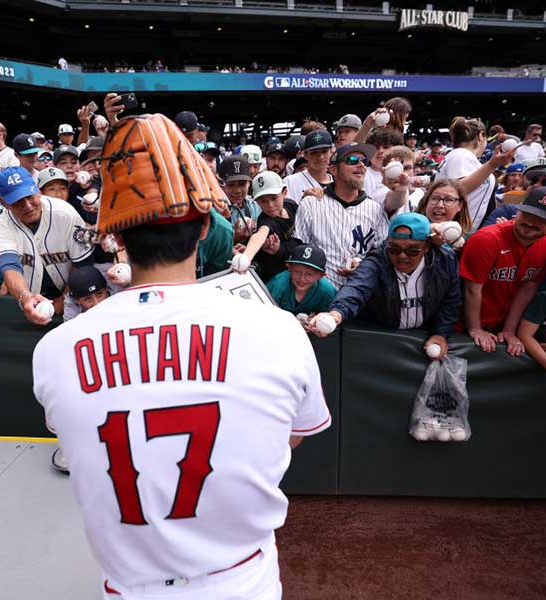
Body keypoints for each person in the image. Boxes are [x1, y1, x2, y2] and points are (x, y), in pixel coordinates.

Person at [32, 113, 330, 599]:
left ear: (116, 236)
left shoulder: (55, 349)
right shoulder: (277, 329)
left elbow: (80, 436)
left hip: (129, 587)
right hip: (242, 580)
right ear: (204, 227)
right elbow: (289, 439)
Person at [315, 213, 460, 359]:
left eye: (412, 250)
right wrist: (335, 314)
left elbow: (451, 301)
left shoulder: (444, 260)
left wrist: (441, 334)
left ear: (426, 247)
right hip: (381, 341)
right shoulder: (377, 261)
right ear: (387, 242)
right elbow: (357, 288)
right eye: (394, 249)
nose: (402, 256)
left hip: (423, 340)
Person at [460, 187, 546, 354]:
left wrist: (509, 330)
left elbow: (528, 287)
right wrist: (475, 328)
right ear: (518, 209)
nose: (531, 222)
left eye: (542, 219)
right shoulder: (487, 238)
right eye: (527, 214)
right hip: (463, 324)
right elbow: (471, 289)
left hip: (502, 323)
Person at [0, 166, 93, 323]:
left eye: (30, 196)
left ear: (38, 190)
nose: (28, 206)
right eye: (17, 202)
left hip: (71, 291)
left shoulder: (66, 214)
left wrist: (65, 298)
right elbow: (10, 267)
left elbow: (83, 264)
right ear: (4, 203)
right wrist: (25, 298)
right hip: (30, 294)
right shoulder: (1, 227)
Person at [295, 142, 401, 287]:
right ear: (333, 169)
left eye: (364, 161)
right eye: (352, 161)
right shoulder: (311, 203)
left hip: (362, 294)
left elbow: (382, 253)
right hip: (319, 293)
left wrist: (363, 264)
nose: (361, 165)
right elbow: (299, 250)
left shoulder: (375, 209)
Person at [435, 117, 516, 230]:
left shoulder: (463, 157)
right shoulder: (461, 155)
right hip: (455, 230)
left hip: (461, 229)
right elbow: (457, 189)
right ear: (480, 135)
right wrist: (492, 164)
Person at [231, 171, 301, 281]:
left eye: (274, 198)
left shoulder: (291, 205)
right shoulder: (266, 220)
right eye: (263, 201)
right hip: (276, 278)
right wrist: (246, 257)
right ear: (257, 202)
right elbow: (260, 235)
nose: (270, 205)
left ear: (284, 192)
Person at [266, 244, 336, 317]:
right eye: (297, 271)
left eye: (309, 274)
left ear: (321, 275)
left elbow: (331, 318)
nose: (302, 279)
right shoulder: (277, 285)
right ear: (289, 268)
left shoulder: (328, 293)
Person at [415, 179, 472, 250]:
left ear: (460, 205)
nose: (440, 205)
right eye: (435, 198)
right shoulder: (409, 225)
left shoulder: (469, 239)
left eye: (448, 200)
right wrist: (427, 229)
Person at [283, 128, 333, 203]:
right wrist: (303, 201)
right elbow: (283, 213)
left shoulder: (339, 182)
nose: (320, 157)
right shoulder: (289, 181)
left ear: (331, 152)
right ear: (305, 155)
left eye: (324, 151)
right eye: (314, 152)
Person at [219, 155, 260, 245]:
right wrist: (234, 240)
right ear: (221, 184)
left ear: (249, 183)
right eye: (231, 185)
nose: (237, 190)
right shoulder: (215, 210)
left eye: (242, 184)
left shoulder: (255, 207)